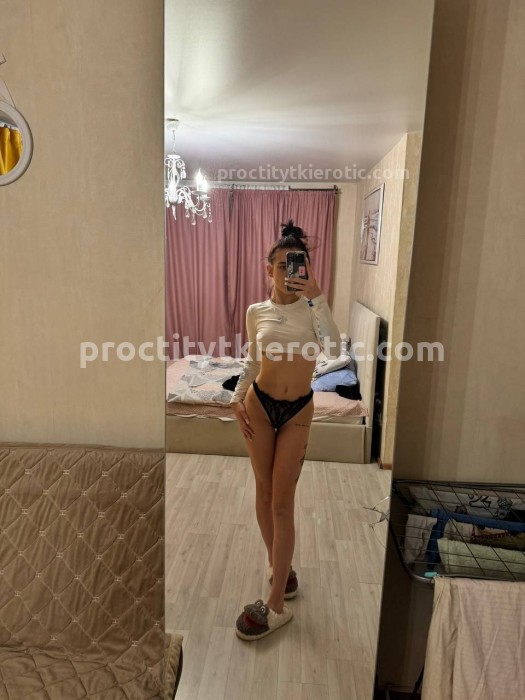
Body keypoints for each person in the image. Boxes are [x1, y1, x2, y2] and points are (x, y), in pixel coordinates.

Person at [230, 220, 342, 641]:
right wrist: (236, 397)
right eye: (282, 265)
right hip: (258, 406)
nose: (290, 272)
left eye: (299, 265)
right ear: (269, 270)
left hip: (297, 411)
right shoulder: (255, 312)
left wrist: (317, 297)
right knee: (263, 492)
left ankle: (276, 605)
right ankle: (281, 568)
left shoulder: (313, 309)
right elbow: (253, 362)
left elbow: (334, 349)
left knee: (282, 503)